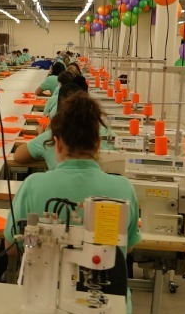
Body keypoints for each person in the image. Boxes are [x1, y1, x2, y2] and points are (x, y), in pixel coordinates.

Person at [10, 92, 140, 255]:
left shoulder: (32, 185)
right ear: (98, 145)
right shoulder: (124, 189)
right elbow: (128, 247)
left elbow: (12, 247)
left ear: (57, 144)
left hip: (43, 271)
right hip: (106, 271)